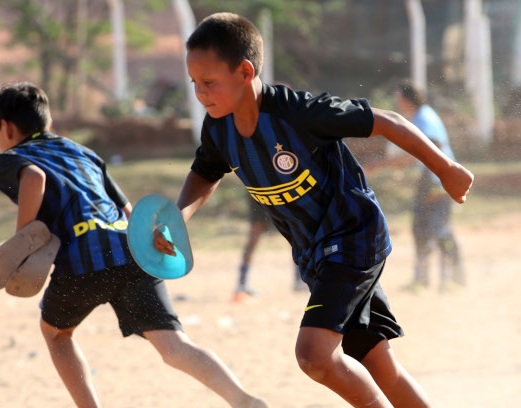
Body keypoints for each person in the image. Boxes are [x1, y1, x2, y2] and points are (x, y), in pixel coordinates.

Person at [158, 13, 473, 407]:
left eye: (209, 82)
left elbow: (389, 122)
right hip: (315, 255)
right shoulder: (218, 128)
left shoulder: (298, 113)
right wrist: (178, 219)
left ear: (245, 72)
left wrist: (446, 168)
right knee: (376, 361)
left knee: (314, 356)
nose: (200, 93)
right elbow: (205, 173)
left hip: (353, 236)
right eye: (194, 83)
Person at [0, 82, 266, 408]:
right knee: (174, 345)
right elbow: (128, 210)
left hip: (82, 259)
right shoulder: (84, 153)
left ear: (6, 127)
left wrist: (23, 242)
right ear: (48, 122)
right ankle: (244, 400)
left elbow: (34, 177)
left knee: (56, 334)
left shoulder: (10, 158)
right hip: (129, 249)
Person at [385, 82, 464, 292]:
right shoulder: (416, 118)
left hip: (439, 181)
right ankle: (422, 279)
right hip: (428, 180)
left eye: (398, 97)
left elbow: (432, 146)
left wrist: (387, 163)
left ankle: (452, 280)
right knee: (420, 229)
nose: (396, 101)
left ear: (406, 99)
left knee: (440, 230)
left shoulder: (425, 118)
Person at [232, 197, 307, 303]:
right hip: (264, 193)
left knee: (293, 233)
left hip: (268, 193)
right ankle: (242, 283)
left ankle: (299, 279)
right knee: (256, 236)